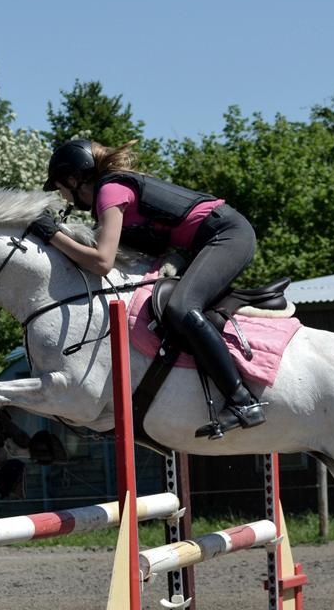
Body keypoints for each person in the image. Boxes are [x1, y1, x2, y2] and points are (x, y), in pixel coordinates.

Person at [30, 138, 265, 439]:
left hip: (227, 235)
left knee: (181, 308)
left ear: (75, 179)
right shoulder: (112, 191)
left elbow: (102, 261)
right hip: (214, 238)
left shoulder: (109, 192)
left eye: (60, 186)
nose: (62, 196)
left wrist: (51, 236)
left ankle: (242, 401)